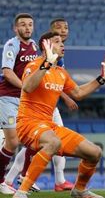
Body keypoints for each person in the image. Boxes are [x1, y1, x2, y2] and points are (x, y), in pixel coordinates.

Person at [13, 32, 105, 198]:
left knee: (94, 152)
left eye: (62, 42)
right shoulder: (34, 65)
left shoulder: (61, 72)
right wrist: (46, 64)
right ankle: (21, 191)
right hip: (28, 123)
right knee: (53, 142)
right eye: (57, 42)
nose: (62, 45)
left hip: (49, 126)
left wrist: (102, 79)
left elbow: (78, 93)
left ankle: (79, 190)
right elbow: (27, 87)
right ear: (45, 46)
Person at [5, 18, 77, 192]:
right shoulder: (43, 52)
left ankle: (15, 179)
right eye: (58, 28)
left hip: (48, 103)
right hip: (35, 103)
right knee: (37, 142)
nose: (63, 31)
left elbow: (57, 80)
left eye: (66, 27)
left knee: (41, 143)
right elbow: (37, 78)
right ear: (50, 33)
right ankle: (15, 179)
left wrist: (66, 97)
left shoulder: (59, 52)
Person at [0, 13, 37, 195]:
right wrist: (26, 87)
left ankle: (24, 177)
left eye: (30, 24)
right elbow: (7, 72)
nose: (27, 28)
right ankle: (2, 181)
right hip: (7, 97)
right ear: (16, 28)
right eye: (23, 25)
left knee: (33, 138)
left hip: (24, 100)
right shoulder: (12, 45)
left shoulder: (34, 46)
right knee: (13, 142)